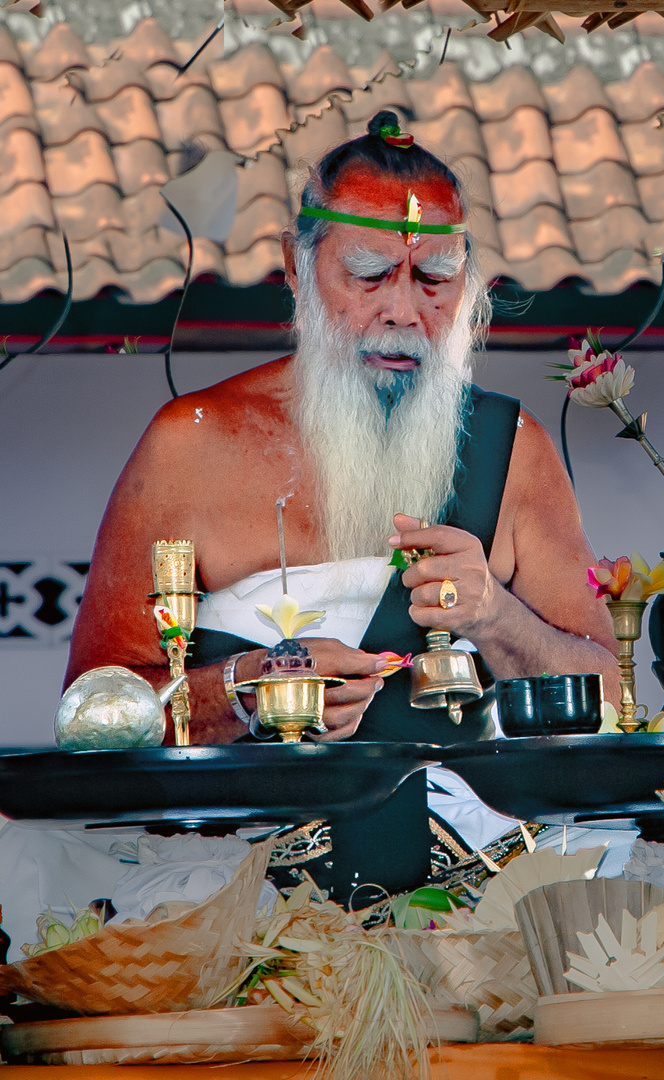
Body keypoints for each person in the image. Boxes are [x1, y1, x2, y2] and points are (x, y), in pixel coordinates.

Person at [65, 111, 620, 897]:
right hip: (235, 897)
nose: (402, 310)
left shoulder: (510, 444)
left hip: (478, 906)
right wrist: (254, 688)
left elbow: (610, 695)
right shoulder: (191, 442)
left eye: (434, 279)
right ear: (296, 272)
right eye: (366, 275)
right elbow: (94, 710)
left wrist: (495, 615)